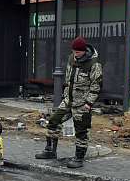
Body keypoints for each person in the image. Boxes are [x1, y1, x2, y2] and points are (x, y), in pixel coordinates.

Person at [35, 36, 103, 169]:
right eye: (74, 51)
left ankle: (79, 157)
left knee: (81, 131)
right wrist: (66, 93)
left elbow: (96, 85)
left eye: (78, 52)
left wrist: (88, 103)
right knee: (53, 121)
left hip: (82, 103)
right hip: (68, 100)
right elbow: (68, 78)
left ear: (84, 51)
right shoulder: (71, 59)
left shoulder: (94, 64)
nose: (76, 54)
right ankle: (50, 150)